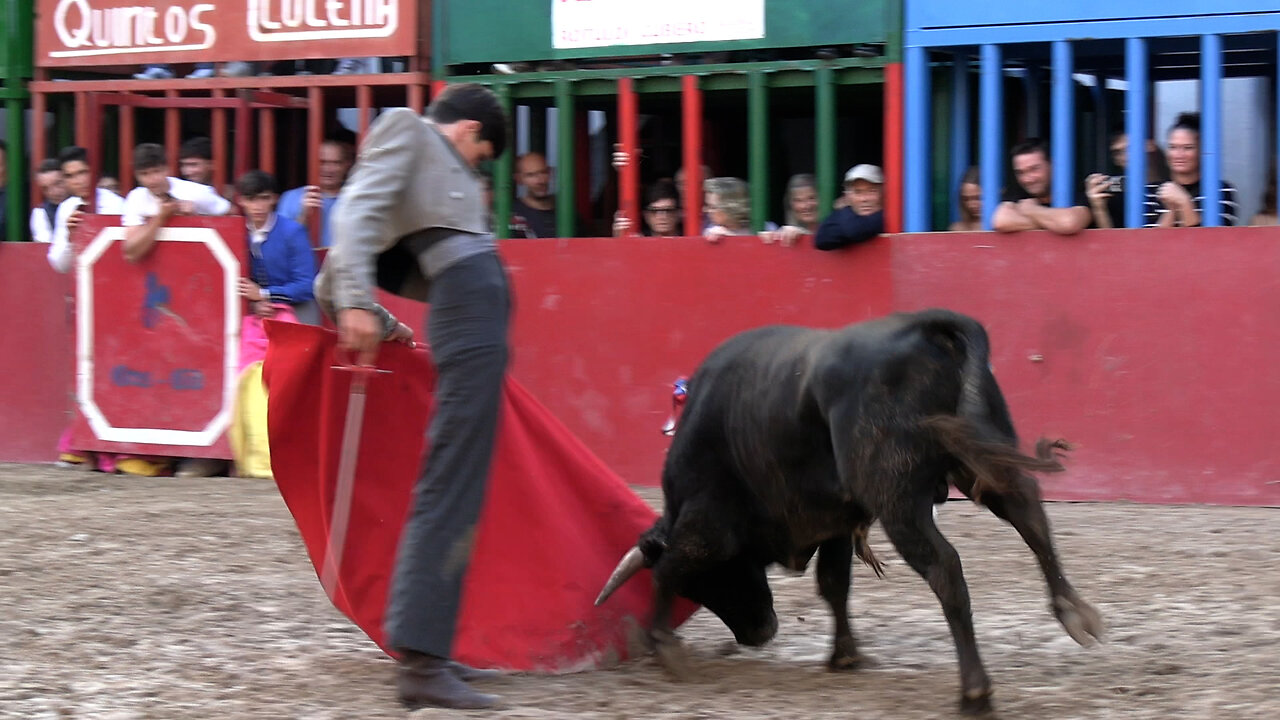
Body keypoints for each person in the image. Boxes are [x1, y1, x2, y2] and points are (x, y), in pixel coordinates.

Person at [313, 82, 509, 710]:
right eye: (482, 158)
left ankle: (432, 649)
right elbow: (356, 212)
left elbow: (332, 269)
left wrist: (371, 310)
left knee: (458, 483)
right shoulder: (407, 128)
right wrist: (350, 301)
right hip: (468, 316)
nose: (475, 173)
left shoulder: (426, 169)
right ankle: (421, 663)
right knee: (450, 482)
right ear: (471, 131)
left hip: (473, 320)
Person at [234, 170, 316, 367]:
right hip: (253, 312)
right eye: (251, 199)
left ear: (274, 199)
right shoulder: (236, 231)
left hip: (296, 308)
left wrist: (264, 295)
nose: (258, 206)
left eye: (264, 198)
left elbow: (306, 286)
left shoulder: (292, 232)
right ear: (241, 201)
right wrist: (254, 304)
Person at [121, 143, 232, 263]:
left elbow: (233, 217)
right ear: (137, 176)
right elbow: (131, 254)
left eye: (156, 171)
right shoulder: (136, 198)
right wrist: (161, 217)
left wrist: (197, 218)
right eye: (144, 174)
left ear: (167, 169)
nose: (151, 180)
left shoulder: (196, 192)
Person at [1146, 112, 1238, 227]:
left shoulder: (1220, 191)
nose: (1179, 155)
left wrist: (1184, 202)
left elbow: (1214, 241)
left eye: (1188, 148)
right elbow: (1150, 243)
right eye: (1173, 147)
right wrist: (1172, 210)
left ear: (1202, 150)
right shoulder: (1150, 192)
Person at [48, 145, 126, 274]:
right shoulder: (66, 208)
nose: (77, 181)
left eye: (82, 172)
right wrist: (70, 239)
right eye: (69, 176)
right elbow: (60, 266)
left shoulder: (116, 204)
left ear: (93, 171)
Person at [991, 139, 1092, 235]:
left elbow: (1069, 223)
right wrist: (1055, 223)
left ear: (1053, 165)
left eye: (1034, 169)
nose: (1027, 179)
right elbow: (1001, 220)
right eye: (1020, 172)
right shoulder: (1018, 191)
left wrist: (1030, 209)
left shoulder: (1075, 189)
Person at [278, 136, 356, 247]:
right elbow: (281, 246)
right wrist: (303, 217)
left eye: (336, 163)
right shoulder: (291, 197)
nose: (328, 169)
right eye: (322, 162)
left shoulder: (356, 197)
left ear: (347, 165)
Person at [1083, 131, 1169, 229]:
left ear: (1149, 145)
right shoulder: (1115, 196)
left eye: (1129, 148)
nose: (1124, 157)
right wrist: (1099, 209)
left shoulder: (1173, 186)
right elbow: (1113, 242)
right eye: (1118, 153)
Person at [813, 164, 885, 250]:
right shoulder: (845, 215)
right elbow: (822, 240)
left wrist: (845, 209)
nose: (864, 199)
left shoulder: (886, 217)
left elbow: (856, 231)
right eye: (858, 192)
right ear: (847, 196)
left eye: (872, 191)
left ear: (884, 193)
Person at [703, 177, 775, 242]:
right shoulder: (712, 232)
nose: (705, 210)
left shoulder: (766, 228)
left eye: (712, 207)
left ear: (731, 208)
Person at [761, 174, 819, 246]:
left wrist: (804, 234)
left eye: (811, 198)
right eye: (798, 200)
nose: (806, 206)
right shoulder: (784, 232)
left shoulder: (835, 231)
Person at [511, 152, 559, 238]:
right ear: (519, 179)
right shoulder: (513, 216)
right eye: (531, 175)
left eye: (543, 172)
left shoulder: (565, 212)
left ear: (550, 172)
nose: (540, 181)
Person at [612, 180, 681, 237]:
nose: (662, 216)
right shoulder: (638, 242)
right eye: (654, 211)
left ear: (679, 213)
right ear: (645, 215)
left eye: (668, 210)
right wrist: (619, 240)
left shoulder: (688, 237)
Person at [31, 159, 69, 245]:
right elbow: (46, 247)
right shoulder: (40, 213)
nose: (53, 192)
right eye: (46, 188)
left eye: (58, 183)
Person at [948, 166, 983, 232]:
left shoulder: (1003, 225)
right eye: (966, 199)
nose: (972, 204)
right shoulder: (958, 229)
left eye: (978, 198)